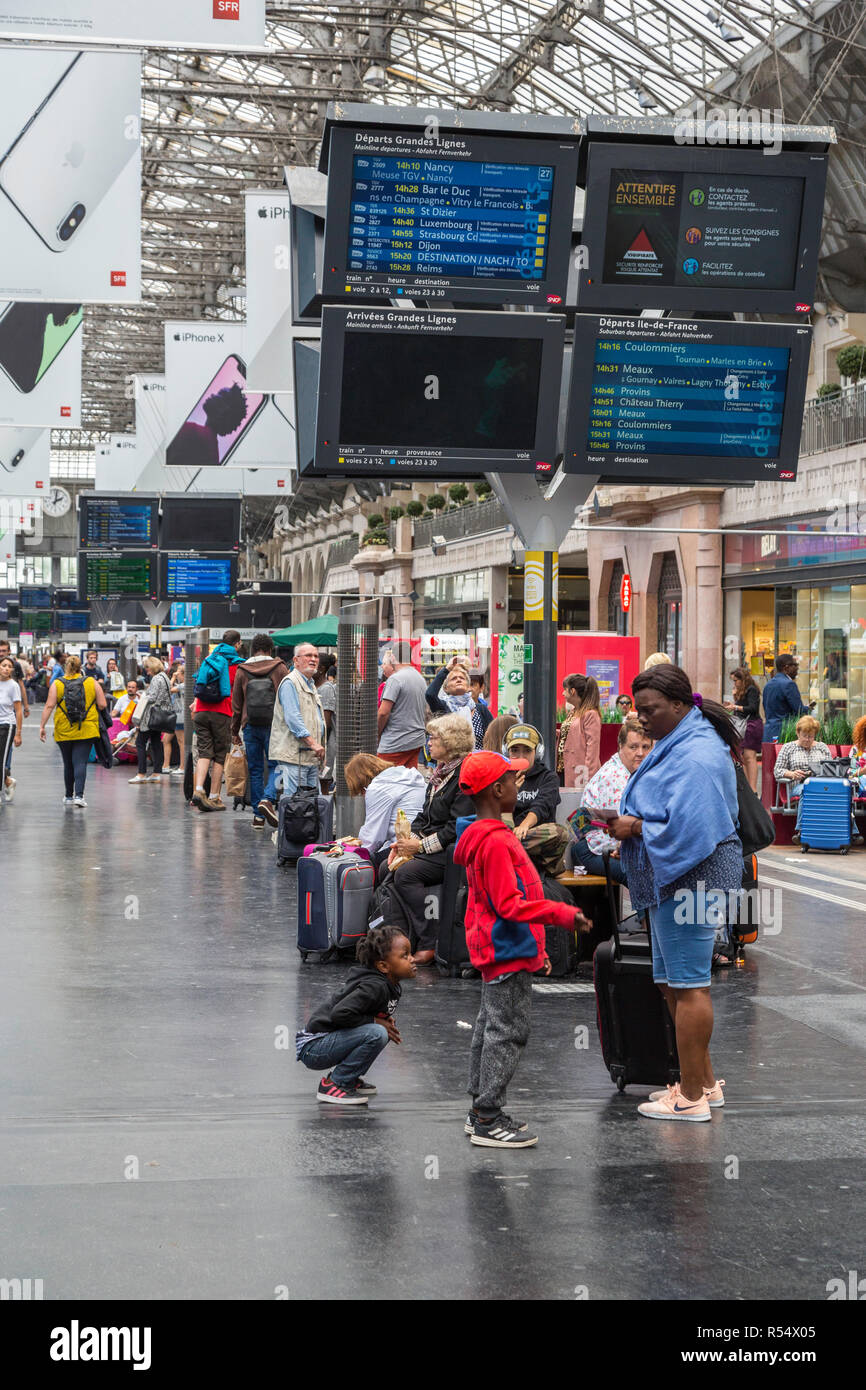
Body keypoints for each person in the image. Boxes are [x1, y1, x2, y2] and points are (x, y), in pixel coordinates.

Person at [608, 664, 741, 1123]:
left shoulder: (698, 753)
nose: (642, 719)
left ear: (680, 705)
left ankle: (689, 1098)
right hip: (671, 879)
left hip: (690, 879)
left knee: (688, 986)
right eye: (638, 710)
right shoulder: (682, 739)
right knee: (671, 982)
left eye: (650, 710)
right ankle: (702, 1083)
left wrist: (635, 825)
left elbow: (691, 828)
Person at [455, 751, 591, 1149]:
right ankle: (488, 1116)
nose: (520, 785)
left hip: (503, 946)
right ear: (498, 790)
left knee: (489, 1024)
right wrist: (561, 914)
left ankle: (479, 1108)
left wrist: (536, 947)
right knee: (507, 1029)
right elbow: (510, 905)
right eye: (514, 780)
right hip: (504, 947)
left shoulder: (482, 836)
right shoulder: (496, 843)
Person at [387, 713, 475, 965]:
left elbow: (454, 828)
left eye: (433, 738)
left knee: (406, 874)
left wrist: (419, 846)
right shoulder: (440, 773)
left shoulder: (463, 777)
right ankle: (403, 940)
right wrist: (405, 843)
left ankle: (429, 941)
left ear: (450, 741)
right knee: (386, 864)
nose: (428, 743)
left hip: (451, 853)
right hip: (433, 847)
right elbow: (423, 816)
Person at [295, 925, 416, 1106]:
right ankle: (336, 1083)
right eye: (404, 956)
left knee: (383, 1030)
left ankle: (348, 1077)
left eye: (410, 954)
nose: (412, 959)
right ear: (383, 966)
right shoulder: (374, 986)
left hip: (325, 1043)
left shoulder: (389, 984)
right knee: (377, 1032)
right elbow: (340, 1014)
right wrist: (375, 1021)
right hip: (314, 1047)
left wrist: (381, 1019)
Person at [575, 721, 653, 882]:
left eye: (645, 747)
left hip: (614, 845)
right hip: (593, 849)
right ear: (620, 747)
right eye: (633, 747)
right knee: (643, 876)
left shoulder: (636, 773)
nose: (640, 753)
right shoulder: (614, 776)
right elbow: (625, 827)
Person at [260, 641, 325, 825]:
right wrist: (313, 743)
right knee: (295, 806)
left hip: (309, 756)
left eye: (316, 656)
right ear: (296, 660)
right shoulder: (290, 683)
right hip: (295, 756)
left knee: (309, 805)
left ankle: (305, 843)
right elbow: (293, 719)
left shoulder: (309, 683)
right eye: (308, 656)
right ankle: (290, 844)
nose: (313, 659)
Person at [231, 634, 287, 828]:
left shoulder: (242, 670)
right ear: (270, 650)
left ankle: (258, 816)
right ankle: (268, 799)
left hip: (250, 725)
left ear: (253, 649)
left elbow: (236, 704)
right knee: (276, 765)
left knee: (255, 770)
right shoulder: (279, 668)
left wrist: (234, 731)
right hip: (275, 725)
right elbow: (286, 697)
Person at [39, 654, 107, 807]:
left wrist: (42, 726)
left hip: (64, 728)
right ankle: (79, 796)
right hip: (87, 728)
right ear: (80, 668)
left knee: (68, 763)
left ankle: (68, 796)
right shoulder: (91, 682)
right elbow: (102, 704)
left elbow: (49, 706)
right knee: (80, 762)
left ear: (66, 668)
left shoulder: (57, 683)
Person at [502, 723, 569, 875]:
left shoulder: (548, 777)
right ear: (506, 752)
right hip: (508, 833)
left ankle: (506, 849)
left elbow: (542, 806)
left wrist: (525, 825)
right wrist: (509, 795)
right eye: (514, 751)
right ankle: (508, 848)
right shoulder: (501, 777)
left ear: (537, 752)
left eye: (527, 751)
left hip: (534, 840)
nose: (520, 757)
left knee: (559, 832)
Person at [190, 631, 244, 813]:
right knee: (220, 755)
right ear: (237, 644)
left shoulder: (210, 659)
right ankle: (214, 796)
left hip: (201, 711)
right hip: (222, 712)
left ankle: (198, 790)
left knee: (204, 752)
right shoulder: (237, 665)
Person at [342, 753, 427, 858]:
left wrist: (351, 851)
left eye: (361, 791)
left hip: (405, 843)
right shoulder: (404, 775)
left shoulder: (378, 787)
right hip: (422, 837)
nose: (363, 795)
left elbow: (372, 838)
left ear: (360, 780)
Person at [773, 715, 832, 843]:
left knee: (841, 793)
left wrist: (817, 772)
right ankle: (801, 831)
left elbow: (831, 769)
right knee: (807, 790)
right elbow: (777, 771)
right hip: (797, 786)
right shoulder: (788, 748)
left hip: (820, 784)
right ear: (797, 733)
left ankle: (852, 832)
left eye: (811, 736)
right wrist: (792, 774)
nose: (807, 739)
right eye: (804, 735)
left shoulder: (822, 747)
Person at [166, 383, 249, 468]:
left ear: (225, 409)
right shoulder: (212, 450)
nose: (213, 395)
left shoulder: (194, 432)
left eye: (220, 394)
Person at [377, 641, 428, 769]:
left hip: (394, 742)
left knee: (385, 782)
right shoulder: (420, 678)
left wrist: (376, 734)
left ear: (393, 657)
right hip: (415, 740)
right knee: (407, 782)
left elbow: (383, 712)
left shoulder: (395, 679)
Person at [426, 655, 492, 748]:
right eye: (453, 678)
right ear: (446, 688)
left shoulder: (481, 709)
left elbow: (492, 736)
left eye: (462, 678)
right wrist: (447, 669)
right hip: (452, 761)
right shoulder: (444, 707)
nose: (458, 679)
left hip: (477, 760)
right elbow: (430, 694)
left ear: (468, 685)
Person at [128, 656, 174, 785]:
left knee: (140, 742)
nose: (146, 671)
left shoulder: (156, 679)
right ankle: (156, 773)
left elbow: (152, 697)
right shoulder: (165, 677)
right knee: (156, 743)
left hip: (150, 716)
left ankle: (141, 773)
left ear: (152, 667)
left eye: (147, 668)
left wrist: (142, 695)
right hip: (160, 716)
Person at [560, 673, 601, 790]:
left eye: (565, 690)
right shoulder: (573, 712)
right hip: (564, 769)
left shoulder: (590, 714)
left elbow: (592, 749)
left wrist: (589, 780)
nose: (563, 693)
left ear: (572, 691)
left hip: (580, 774)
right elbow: (572, 735)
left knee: (577, 806)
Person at [725, 666, 764, 793]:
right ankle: (749, 788)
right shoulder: (741, 690)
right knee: (744, 756)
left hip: (751, 725)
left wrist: (735, 706)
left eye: (736, 680)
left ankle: (753, 789)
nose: (734, 683)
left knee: (749, 756)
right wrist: (735, 697)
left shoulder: (751, 689)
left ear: (743, 679)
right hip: (743, 725)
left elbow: (752, 708)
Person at [762, 654, 810, 742]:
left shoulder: (768, 685)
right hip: (784, 733)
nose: (797, 668)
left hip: (769, 732)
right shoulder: (789, 684)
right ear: (786, 668)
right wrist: (808, 708)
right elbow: (799, 710)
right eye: (795, 665)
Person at [0, 655, 23, 804]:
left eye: (9, 666)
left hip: (7, 725)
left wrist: (18, 733)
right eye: (4, 665)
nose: (6, 668)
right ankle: (8, 781)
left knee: (1, 761)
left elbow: (18, 710)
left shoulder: (13, 686)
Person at [315, 656, 337, 792]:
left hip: (326, 742)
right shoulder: (313, 685)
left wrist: (321, 744)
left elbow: (326, 721)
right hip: (318, 741)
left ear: (322, 669)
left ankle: (324, 808)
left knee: (324, 779)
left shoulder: (326, 689)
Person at [163, 661, 186, 778]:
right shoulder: (182, 685)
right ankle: (166, 765)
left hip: (180, 716)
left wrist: (172, 677)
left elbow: (168, 689)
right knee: (166, 739)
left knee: (181, 742)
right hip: (176, 716)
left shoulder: (184, 685)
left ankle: (182, 767)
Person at [0, 640, 29, 720]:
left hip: (11, 707)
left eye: (4, 651)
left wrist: (26, 707)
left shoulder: (15, 665)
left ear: (9, 651)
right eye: (0, 651)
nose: (1, 653)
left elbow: (21, 686)